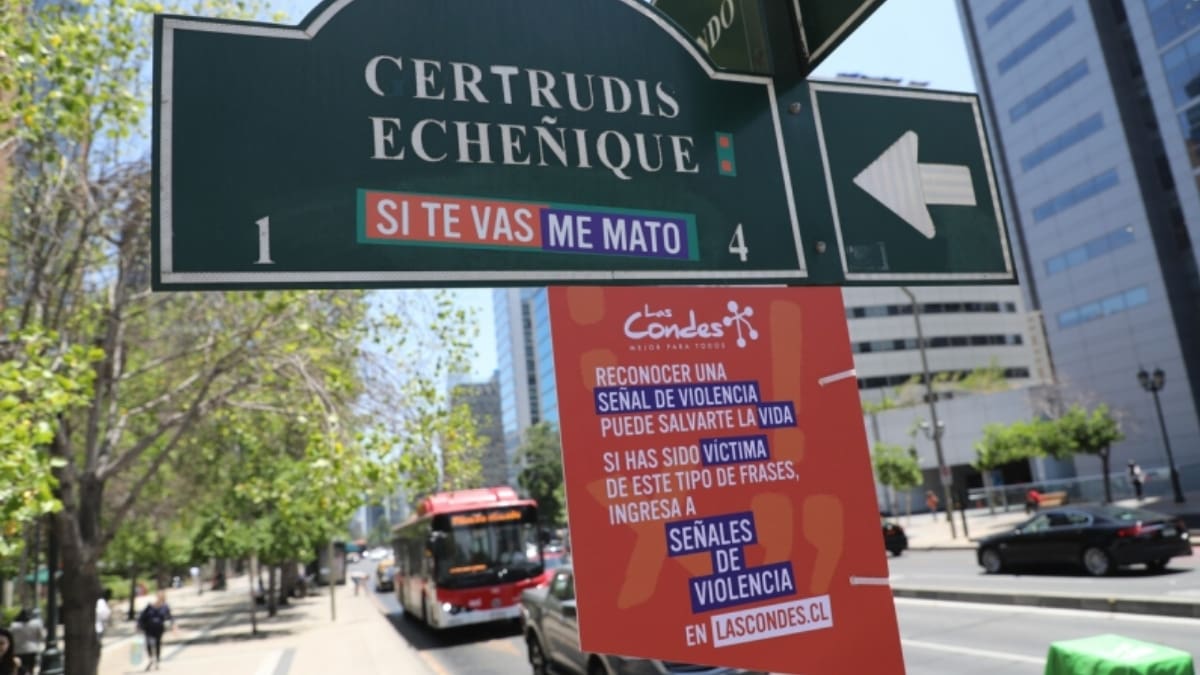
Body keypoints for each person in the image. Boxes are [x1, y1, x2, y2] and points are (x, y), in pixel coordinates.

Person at [137, 590, 175, 671]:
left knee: (157, 644)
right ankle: (151, 658)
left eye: (161, 597)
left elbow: (170, 616)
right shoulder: (150, 605)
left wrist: (173, 626)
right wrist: (138, 625)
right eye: (158, 597)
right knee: (148, 643)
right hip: (148, 628)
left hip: (159, 628)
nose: (159, 598)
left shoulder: (165, 606)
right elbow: (142, 616)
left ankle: (157, 660)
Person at [8, 610, 44, 675]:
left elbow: (10, 637)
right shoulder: (36, 624)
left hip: (18, 650)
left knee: (20, 668)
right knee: (31, 667)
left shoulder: (14, 625)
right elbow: (41, 636)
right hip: (32, 649)